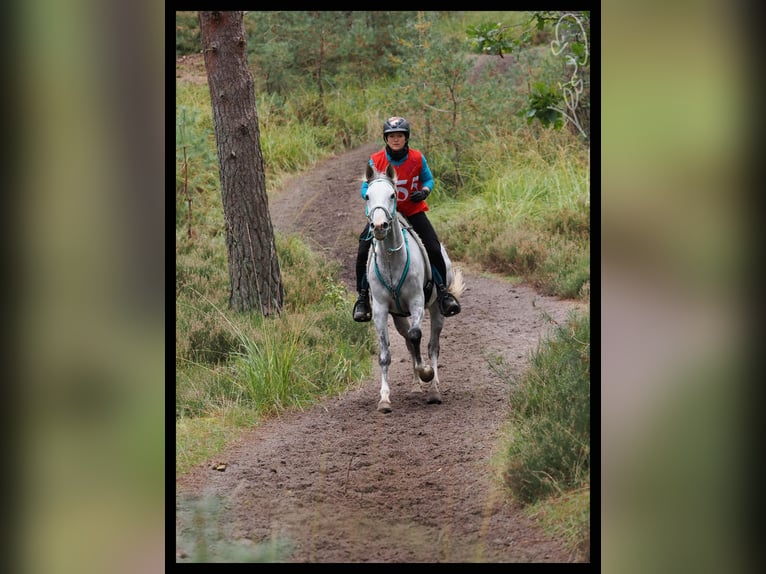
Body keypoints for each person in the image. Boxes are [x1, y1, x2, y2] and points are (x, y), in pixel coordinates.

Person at [353, 116, 461, 322]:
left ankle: (443, 292)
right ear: (386, 139)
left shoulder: (417, 158)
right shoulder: (375, 160)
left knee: (432, 245)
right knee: (363, 248)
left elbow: (428, 178)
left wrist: (425, 190)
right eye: (391, 136)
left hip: (412, 211)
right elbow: (366, 186)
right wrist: (370, 195)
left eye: (399, 136)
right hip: (384, 214)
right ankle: (363, 298)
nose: (395, 139)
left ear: (406, 138)